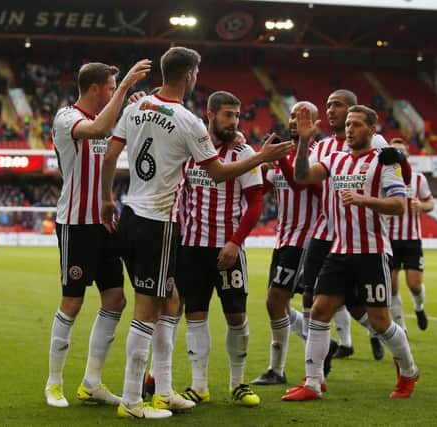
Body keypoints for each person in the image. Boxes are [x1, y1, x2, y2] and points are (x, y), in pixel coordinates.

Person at [101, 46, 293, 419]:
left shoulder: (135, 108)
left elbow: (110, 156)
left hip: (129, 214)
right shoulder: (188, 122)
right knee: (149, 311)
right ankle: (132, 400)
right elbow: (219, 172)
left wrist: (108, 200)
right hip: (159, 223)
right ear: (190, 75)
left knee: (171, 302)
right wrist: (262, 158)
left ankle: (167, 388)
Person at [282, 104, 419, 402]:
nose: (350, 130)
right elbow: (302, 176)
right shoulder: (335, 159)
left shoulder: (384, 163)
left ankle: (409, 372)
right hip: (339, 250)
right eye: (348, 125)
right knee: (318, 311)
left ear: (372, 130)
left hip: (371, 253)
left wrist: (362, 199)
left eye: (357, 125)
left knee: (380, 322)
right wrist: (304, 142)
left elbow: (398, 205)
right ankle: (313, 383)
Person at [45, 59, 152, 408]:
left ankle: (91, 382)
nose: (113, 91)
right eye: (110, 86)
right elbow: (97, 130)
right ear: (94, 89)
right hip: (76, 224)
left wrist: (135, 109)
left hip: (104, 222)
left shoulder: (102, 119)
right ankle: (54, 383)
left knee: (115, 299)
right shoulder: (67, 117)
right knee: (73, 302)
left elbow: (114, 134)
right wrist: (124, 93)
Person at [175, 91, 264, 407]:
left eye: (236, 116)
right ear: (210, 115)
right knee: (195, 314)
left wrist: (235, 242)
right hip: (192, 248)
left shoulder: (244, 153)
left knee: (236, 316)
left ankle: (238, 383)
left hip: (228, 249)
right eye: (227, 115)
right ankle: (199, 386)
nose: (233, 122)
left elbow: (255, 203)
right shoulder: (191, 148)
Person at [296, 90, 393, 363]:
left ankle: (378, 334)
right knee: (309, 296)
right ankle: (318, 363)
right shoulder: (323, 147)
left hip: (359, 236)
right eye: (327, 106)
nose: (330, 111)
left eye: (337, 105)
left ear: (353, 109)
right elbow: (303, 176)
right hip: (326, 230)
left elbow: (396, 171)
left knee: (354, 302)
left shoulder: (377, 142)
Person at [251, 101, 322, 386]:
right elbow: (265, 187)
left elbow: (299, 182)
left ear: (315, 123)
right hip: (283, 239)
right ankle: (312, 339)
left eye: (302, 116)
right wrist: (260, 162)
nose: (294, 120)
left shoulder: (318, 155)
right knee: (275, 303)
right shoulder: (284, 153)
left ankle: (278, 369)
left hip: (304, 240)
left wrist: (278, 159)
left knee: (276, 300)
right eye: (292, 115)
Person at [387, 138, 434, 332]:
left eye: (402, 152)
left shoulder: (418, 178)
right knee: (392, 286)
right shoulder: (384, 176)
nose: (399, 156)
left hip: (412, 239)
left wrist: (421, 206)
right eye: (395, 152)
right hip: (389, 240)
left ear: (407, 154)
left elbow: (431, 203)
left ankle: (419, 307)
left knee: (414, 285)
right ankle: (401, 328)